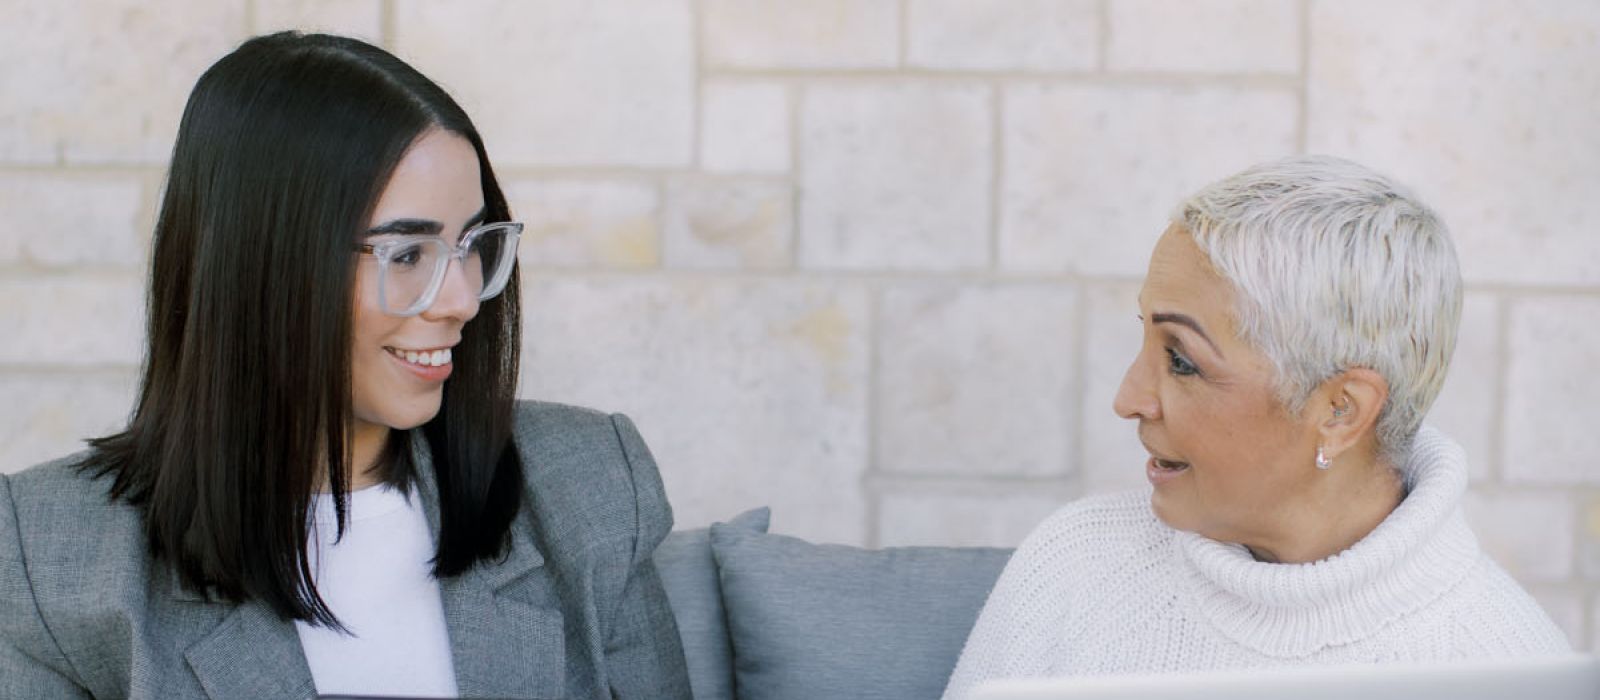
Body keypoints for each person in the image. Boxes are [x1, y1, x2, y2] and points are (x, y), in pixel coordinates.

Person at [0, 32, 692, 699]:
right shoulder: (49, 560)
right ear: (262, 269)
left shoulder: (590, 487)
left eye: (473, 243)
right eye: (407, 253)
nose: (462, 300)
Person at [942, 155, 1569, 699]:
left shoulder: (1510, 662)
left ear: (1340, 411)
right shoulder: (1077, 563)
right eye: (1146, 339)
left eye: (1182, 361)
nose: (1128, 399)